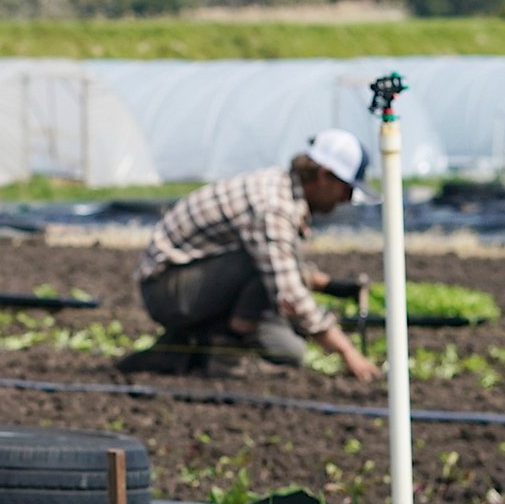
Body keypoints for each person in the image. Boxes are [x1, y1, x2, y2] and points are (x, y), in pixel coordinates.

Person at [119, 129, 383, 380]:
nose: (347, 199)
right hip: (167, 290)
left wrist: (330, 285)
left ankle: (190, 347)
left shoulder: (284, 193)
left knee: (289, 351)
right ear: (324, 176)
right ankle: (225, 354)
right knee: (259, 265)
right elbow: (288, 288)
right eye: (346, 188)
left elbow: (285, 262)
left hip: (197, 284)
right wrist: (348, 352)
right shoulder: (273, 206)